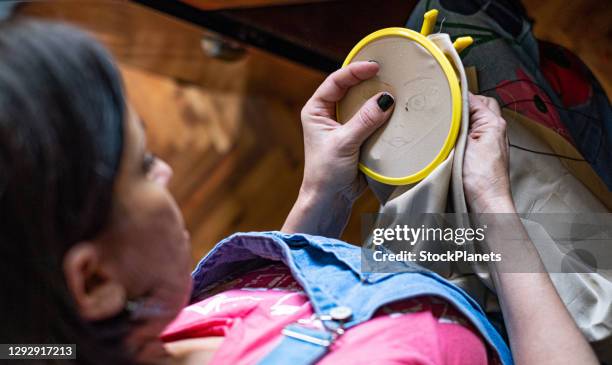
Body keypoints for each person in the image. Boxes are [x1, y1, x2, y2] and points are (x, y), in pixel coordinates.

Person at [0, 15, 599, 365]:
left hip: (396, 272)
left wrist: (323, 195)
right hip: (524, 322)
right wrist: (494, 211)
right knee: (480, 36)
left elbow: (275, 316)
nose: (168, 173)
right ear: (95, 281)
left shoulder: (72, 342)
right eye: (144, 164)